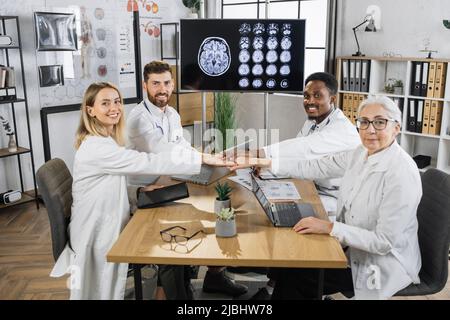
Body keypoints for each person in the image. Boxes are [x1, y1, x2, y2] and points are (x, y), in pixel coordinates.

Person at [49, 82, 231, 300]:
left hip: (105, 219)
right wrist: (200, 158)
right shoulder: (96, 147)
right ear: (90, 110)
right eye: (105, 103)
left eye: (117, 101)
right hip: (98, 232)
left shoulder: (104, 140)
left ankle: (182, 289)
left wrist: (138, 191)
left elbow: (107, 185)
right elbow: (148, 161)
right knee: (171, 248)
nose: (114, 107)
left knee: (176, 228)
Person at [234, 96, 422, 300]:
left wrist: (329, 228)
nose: (370, 130)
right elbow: (316, 166)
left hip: (378, 263)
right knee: (292, 259)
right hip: (350, 245)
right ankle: (273, 292)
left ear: (396, 127)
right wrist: (267, 163)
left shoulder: (401, 174)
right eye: (364, 122)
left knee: (296, 276)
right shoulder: (360, 152)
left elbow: (383, 242)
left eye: (379, 122)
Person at [127, 60, 248, 298]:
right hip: (142, 191)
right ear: (145, 85)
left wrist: (209, 158)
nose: (162, 89)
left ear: (172, 84)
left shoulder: (171, 113)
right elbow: (166, 153)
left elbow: (181, 146)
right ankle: (177, 293)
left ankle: (214, 276)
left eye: (166, 83)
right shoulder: (138, 119)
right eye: (155, 84)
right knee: (188, 222)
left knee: (215, 204)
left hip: (167, 180)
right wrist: (207, 160)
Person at [237, 72, 361, 299]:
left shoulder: (341, 129)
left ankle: (285, 281)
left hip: (336, 199)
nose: (310, 101)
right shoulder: (314, 122)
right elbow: (301, 159)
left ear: (332, 98)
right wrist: (264, 166)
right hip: (313, 186)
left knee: (290, 221)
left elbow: (304, 149)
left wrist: (258, 155)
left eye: (317, 95)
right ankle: (273, 280)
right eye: (306, 95)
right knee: (274, 205)